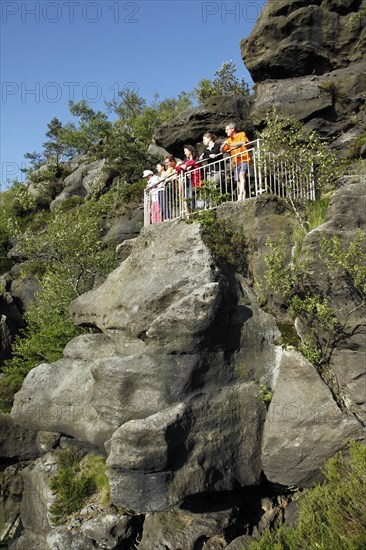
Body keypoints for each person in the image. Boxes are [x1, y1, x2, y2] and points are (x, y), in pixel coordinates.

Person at [220, 122, 251, 201]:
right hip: (236, 162)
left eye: (227, 129)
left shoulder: (241, 134)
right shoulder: (229, 140)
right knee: (237, 180)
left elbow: (243, 142)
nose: (226, 131)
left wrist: (230, 145)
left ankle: (240, 195)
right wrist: (223, 146)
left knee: (241, 175)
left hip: (244, 159)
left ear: (232, 129)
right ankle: (243, 195)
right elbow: (222, 151)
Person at [175, 145, 203, 211]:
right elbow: (177, 168)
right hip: (188, 181)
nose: (185, 153)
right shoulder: (185, 160)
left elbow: (194, 163)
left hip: (195, 180)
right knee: (188, 197)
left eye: (186, 151)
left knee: (194, 196)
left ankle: (195, 211)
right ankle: (191, 212)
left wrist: (186, 165)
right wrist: (183, 166)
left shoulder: (195, 159)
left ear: (190, 151)